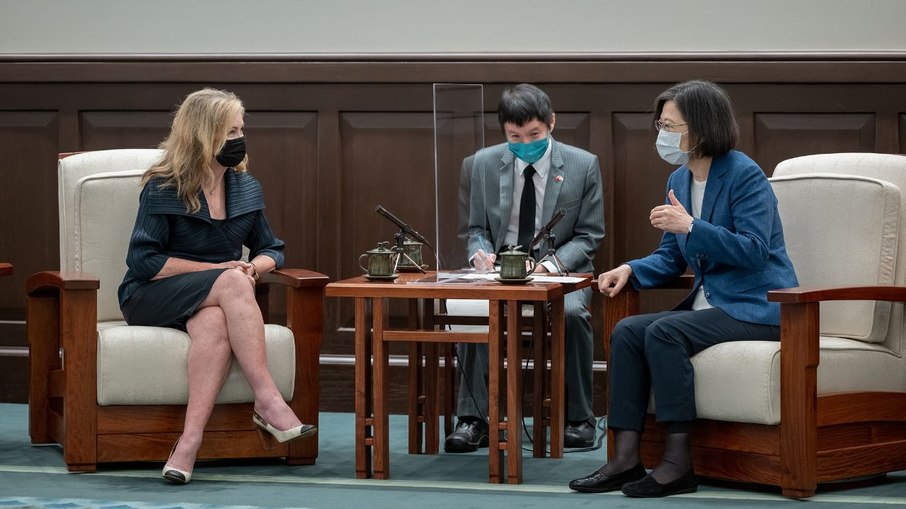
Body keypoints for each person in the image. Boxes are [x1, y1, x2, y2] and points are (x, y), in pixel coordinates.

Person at [568, 80, 798, 497]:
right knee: (627, 331)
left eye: (671, 126)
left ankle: (677, 463)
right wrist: (630, 269)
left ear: (703, 127)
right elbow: (671, 258)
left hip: (757, 307)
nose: (663, 135)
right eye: (661, 124)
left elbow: (754, 252)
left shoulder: (744, 174)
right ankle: (624, 458)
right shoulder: (679, 177)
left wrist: (693, 226)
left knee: (664, 330)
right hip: (711, 308)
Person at [118, 88, 316, 485]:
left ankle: (188, 445)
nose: (239, 140)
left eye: (241, 129)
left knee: (215, 325)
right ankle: (268, 399)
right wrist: (220, 270)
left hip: (214, 297)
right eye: (229, 132)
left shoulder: (245, 187)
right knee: (229, 280)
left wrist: (251, 269)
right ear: (201, 135)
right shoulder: (163, 186)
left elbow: (271, 249)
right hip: (150, 296)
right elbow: (144, 261)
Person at [445, 83, 605, 453]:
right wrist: (480, 255)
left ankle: (578, 417)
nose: (525, 142)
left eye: (534, 134)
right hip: (498, 271)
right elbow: (475, 230)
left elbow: (590, 235)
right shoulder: (480, 164)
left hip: (558, 269)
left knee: (572, 313)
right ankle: (473, 418)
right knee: (470, 308)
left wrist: (549, 266)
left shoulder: (583, 164)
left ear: (551, 122)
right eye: (514, 136)